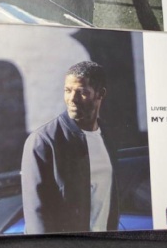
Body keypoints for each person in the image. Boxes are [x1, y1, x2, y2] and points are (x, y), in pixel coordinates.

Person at [21, 61, 119, 234]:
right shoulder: (44, 141)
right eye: (67, 91)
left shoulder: (107, 137)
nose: (72, 99)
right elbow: (37, 215)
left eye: (82, 92)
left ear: (100, 94)